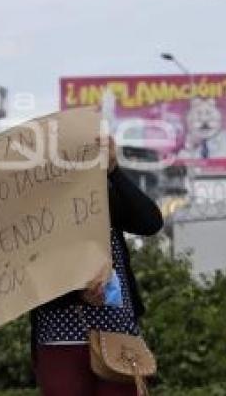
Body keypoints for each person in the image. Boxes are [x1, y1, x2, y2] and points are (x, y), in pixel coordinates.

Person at [31, 137, 164, 396]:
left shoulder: (101, 199)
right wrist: (77, 294)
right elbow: (28, 277)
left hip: (117, 331)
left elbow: (150, 222)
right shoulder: (37, 213)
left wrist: (114, 171)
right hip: (61, 334)